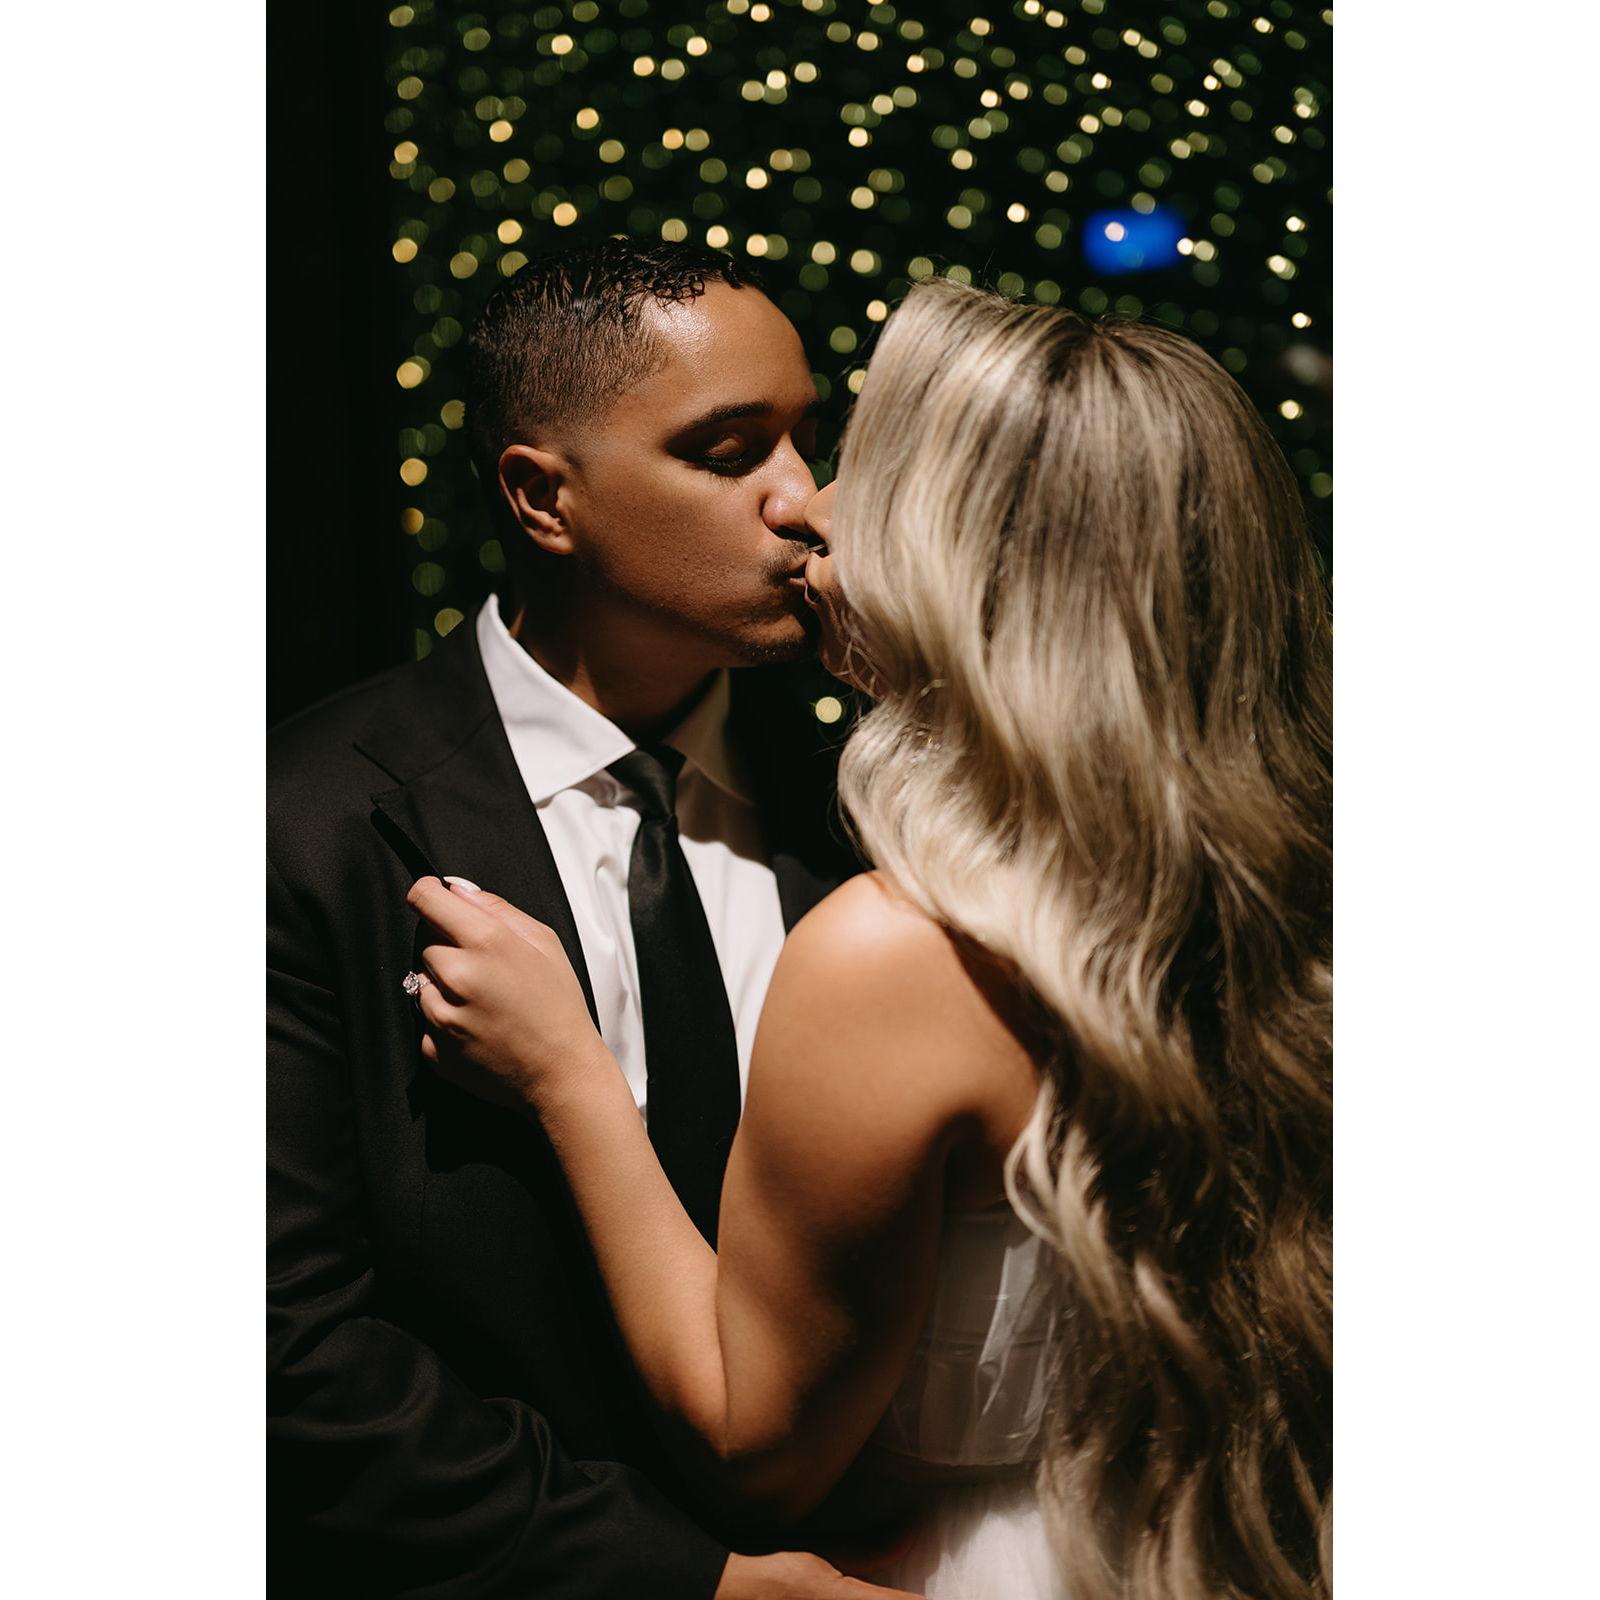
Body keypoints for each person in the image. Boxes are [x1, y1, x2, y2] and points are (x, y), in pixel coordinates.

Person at [405, 279, 1335, 1599]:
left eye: (861, 465)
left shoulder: (894, 950)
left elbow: (756, 1449)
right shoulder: (1289, 888)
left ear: (977, 561)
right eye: (743, 453)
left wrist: (569, 1077)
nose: (811, 504)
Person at [268, 239, 921, 1598]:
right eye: (730, 453)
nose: (806, 501)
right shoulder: (306, 828)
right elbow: (281, 1351)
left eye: (807, 440)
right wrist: (695, 1580)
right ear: (540, 498)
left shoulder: (883, 803)